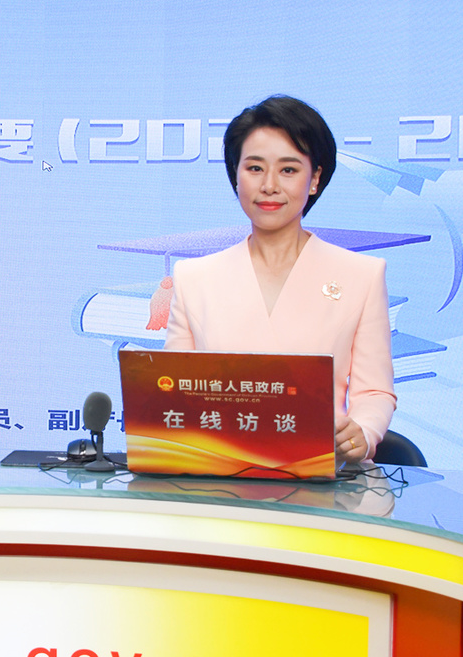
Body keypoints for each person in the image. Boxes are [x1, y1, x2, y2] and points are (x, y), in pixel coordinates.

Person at [163, 95, 395, 465]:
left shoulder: (362, 275)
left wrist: (363, 434)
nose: (269, 185)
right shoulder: (194, 278)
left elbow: (374, 392)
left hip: (320, 476)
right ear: (235, 175)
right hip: (217, 476)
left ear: (315, 178)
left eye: (288, 170)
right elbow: (172, 393)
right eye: (255, 168)